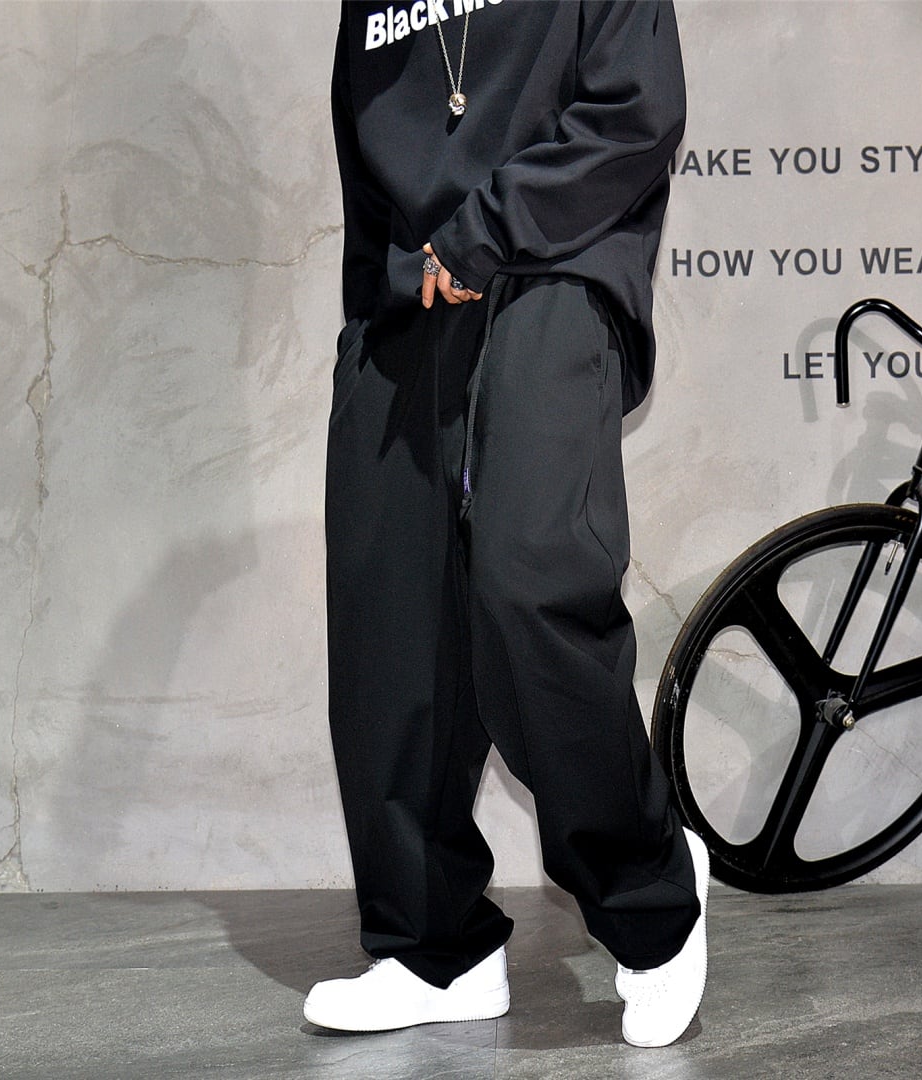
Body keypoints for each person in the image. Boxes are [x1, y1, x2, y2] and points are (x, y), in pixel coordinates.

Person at [304, 0, 708, 1049]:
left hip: (554, 270)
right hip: (408, 303)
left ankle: (651, 893)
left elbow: (636, 113)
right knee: (391, 631)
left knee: (529, 582)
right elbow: (367, 170)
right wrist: (368, 329)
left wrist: (483, 230)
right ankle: (433, 947)